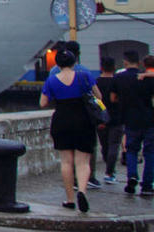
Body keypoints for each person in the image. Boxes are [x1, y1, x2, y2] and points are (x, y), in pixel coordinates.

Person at [38, 50, 104, 211]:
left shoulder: (51, 80)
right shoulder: (84, 76)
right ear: (75, 62)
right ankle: (82, 190)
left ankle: (70, 199)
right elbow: (99, 96)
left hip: (62, 120)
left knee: (66, 162)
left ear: (57, 64)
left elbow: (43, 103)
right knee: (83, 161)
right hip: (83, 119)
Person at [117, 53, 154, 195]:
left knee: (131, 150)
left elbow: (114, 97)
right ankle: (147, 185)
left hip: (131, 119)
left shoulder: (122, 78)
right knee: (150, 152)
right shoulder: (148, 80)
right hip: (150, 120)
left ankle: (132, 176)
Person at [94, 56, 122, 184]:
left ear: (101, 68)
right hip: (116, 117)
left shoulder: (96, 82)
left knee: (104, 145)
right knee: (114, 145)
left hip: (100, 118)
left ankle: (108, 165)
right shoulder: (117, 81)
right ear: (114, 68)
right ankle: (110, 172)